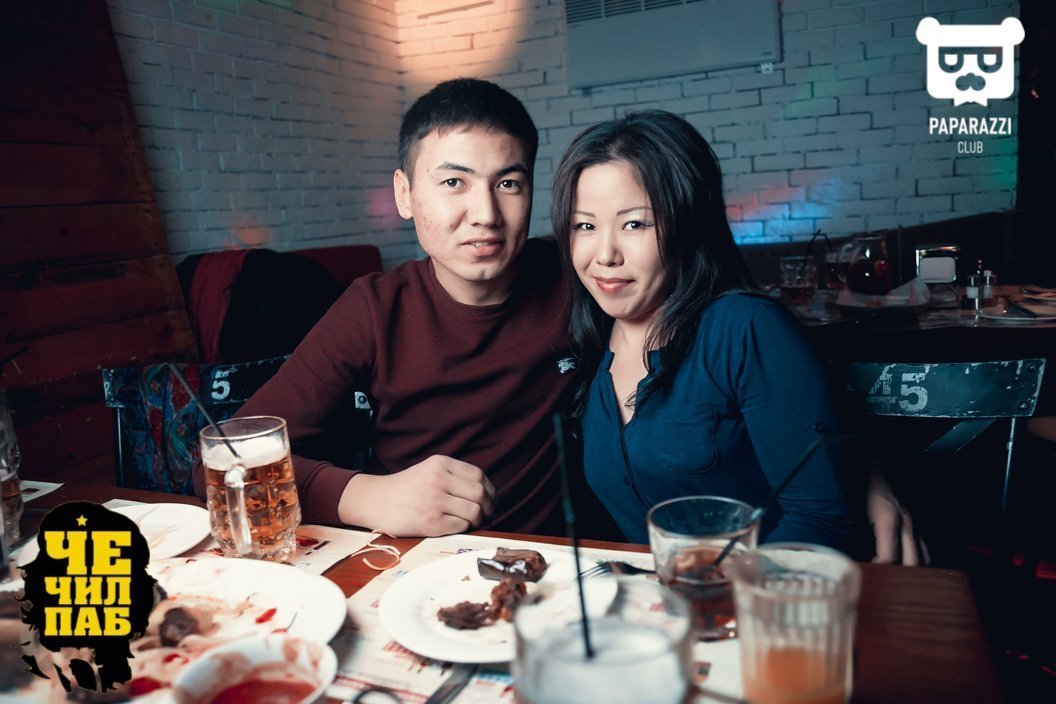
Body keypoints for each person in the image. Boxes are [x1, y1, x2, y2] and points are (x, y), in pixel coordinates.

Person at [194, 78, 579, 538]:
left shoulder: (578, 276)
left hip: (559, 558)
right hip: (414, 558)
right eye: (453, 182)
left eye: (509, 183)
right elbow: (221, 463)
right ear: (404, 194)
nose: (486, 214)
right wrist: (366, 496)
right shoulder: (374, 309)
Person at [551, 110, 851, 546]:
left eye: (635, 223)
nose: (605, 254)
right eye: (585, 225)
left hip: (763, 585)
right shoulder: (582, 343)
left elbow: (822, 521)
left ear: (686, 224)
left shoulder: (744, 330)